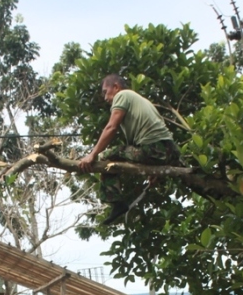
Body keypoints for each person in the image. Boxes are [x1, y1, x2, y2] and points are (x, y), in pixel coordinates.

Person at [77, 74, 181, 224]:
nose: (106, 98)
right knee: (128, 153)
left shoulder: (122, 95)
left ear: (116, 87)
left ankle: (116, 202)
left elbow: (111, 127)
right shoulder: (141, 101)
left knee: (107, 156)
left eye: (106, 92)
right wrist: (156, 170)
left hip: (153, 149)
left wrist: (92, 154)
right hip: (169, 151)